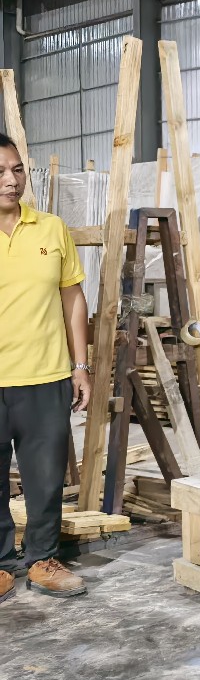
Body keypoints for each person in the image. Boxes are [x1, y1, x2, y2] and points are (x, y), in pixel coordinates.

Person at [0, 132, 93, 604]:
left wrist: (81, 365)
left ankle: (42, 560)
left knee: (45, 479)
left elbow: (73, 299)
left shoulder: (52, 229)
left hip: (45, 376)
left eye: (17, 170)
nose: (11, 180)